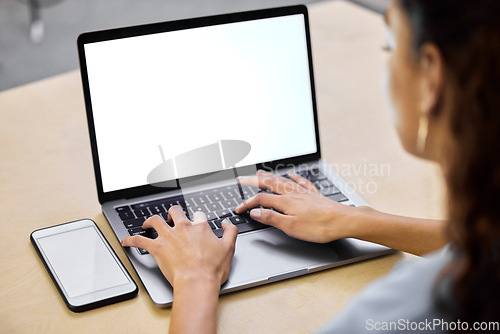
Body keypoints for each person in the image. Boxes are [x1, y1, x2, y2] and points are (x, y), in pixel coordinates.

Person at [121, 0, 500, 332]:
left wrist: (196, 278)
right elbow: (483, 243)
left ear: (432, 75)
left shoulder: (419, 306)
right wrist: (356, 219)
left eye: (391, 47)